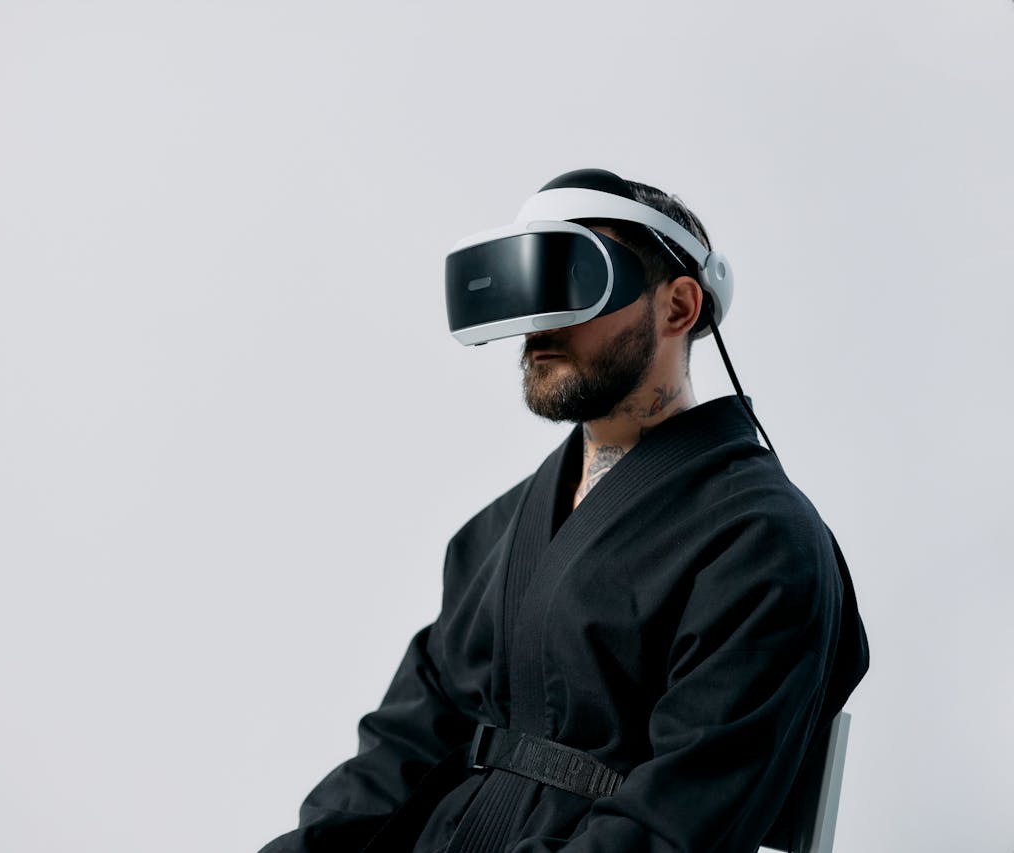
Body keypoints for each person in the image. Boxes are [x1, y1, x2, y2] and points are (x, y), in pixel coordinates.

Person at [258, 169, 870, 853]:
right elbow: (400, 748)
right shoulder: (500, 530)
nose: (540, 326)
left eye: (572, 286)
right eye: (530, 291)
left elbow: (675, 824)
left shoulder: (762, 541)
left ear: (678, 307)